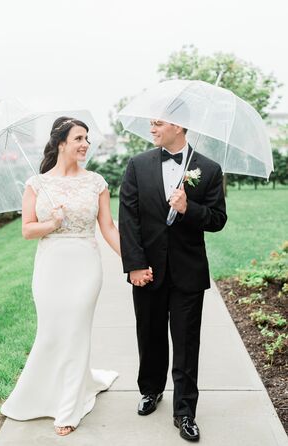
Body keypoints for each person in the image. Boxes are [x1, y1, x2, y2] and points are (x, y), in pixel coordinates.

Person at [1, 117, 120, 436]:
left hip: (85, 264)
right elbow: (27, 230)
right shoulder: (36, 184)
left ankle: (68, 408)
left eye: (87, 139)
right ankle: (42, 393)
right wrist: (52, 224)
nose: (85, 144)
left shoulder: (97, 182)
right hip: (50, 266)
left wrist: (133, 259)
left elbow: (108, 228)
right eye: (79, 138)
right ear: (61, 143)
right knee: (52, 332)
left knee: (76, 331)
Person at [119, 119, 227, 442]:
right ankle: (150, 390)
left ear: (179, 126)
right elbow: (128, 217)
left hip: (188, 272)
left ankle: (185, 412)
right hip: (148, 271)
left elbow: (218, 219)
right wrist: (135, 265)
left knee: (185, 343)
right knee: (149, 335)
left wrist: (188, 208)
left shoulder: (208, 169)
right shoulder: (137, 165)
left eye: (158, 123)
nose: (152, 128)